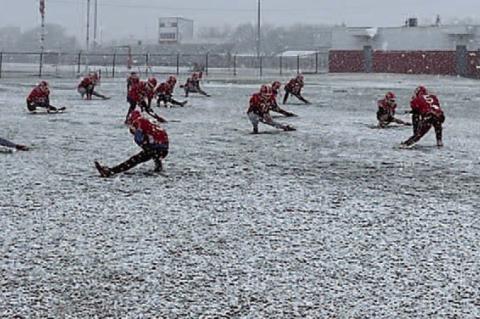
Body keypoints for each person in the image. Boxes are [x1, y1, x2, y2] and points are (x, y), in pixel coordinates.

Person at [94, 109, 169, 177]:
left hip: (156, 147)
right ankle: (158, 168)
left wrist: (142, 143)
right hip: (164, 148)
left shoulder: (137, 122)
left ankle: (111, 171)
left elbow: (139, 139)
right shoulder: (150, 122)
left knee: (134, 159)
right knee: (154, 155)